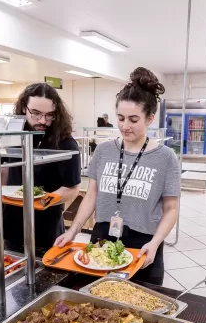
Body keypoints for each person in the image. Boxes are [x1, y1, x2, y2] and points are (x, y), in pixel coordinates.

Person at [55, 67, 180, 285]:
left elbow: (171, 209)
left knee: (138, 309)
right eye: (120, 118)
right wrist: (73, 230)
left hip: (143, 244)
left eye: (133, 119)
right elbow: (91, 195)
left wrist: (157, 242)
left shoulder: (166, 157)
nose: (124, 126)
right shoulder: (104, 151)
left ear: (150, 119)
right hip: (102, 238)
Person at [2, 83, 81, 249]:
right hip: (11, 222)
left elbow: (72, 188)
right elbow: (6, 170)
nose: (43, 121)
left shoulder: (66, 143)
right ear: (24, 107)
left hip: (47, 225)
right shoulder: (14, 135)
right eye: (36, 114)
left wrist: (41, 202)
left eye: (49, 115)